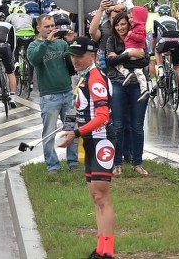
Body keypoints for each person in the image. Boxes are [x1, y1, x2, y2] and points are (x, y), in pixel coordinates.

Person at [56, 37, 116, 259]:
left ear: (92, 55)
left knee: (101, 196)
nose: (75, 60)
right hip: (90, 141)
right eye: (72, 56)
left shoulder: (95, 79)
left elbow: (102, 116)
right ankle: (100, 249)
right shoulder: (83, 77)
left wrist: (76, 133)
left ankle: (108, 252)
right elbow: (78, 110)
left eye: (79, 56)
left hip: (102, 141)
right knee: (95, 196)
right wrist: (71, 129)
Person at [27, 15, 79, 173]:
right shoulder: (34, 45)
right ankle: (52, 165)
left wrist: (70, 42)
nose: (50, 29)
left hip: (67, 94)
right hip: (49, 97)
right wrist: (46, 43)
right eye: (46, 26)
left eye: (52, 26)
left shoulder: (61, 44)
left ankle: (73, 162)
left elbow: (74, 63)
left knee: (71, 129)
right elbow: (34, 60)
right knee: (49, 133)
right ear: (38, 28)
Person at [105, 12, 151, 176]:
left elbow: (145, 60)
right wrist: (129, 54)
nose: (120, 27)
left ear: (129, 24)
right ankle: (116, 163)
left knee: (137, 126)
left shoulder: (139, 38)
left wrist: (120, 57)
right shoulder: (111, 40)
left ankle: (137, 163)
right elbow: (110, 62)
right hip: (117, 84)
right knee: (117, 125)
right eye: (117, 25)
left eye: (123, 24)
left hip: (137, 85)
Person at [113, 6, 150, 101]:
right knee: (139, 72)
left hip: (133, 50)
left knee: (118, 62)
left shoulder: (139, 27)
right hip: (134, 51)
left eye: (132, 17)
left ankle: (127, 73)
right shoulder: (136, 27)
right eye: (129, 18)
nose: (130, 20)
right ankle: (144, 89)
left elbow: (141, 38)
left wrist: (131, 35)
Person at [151, 4, 179, 92]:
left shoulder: (156, 20)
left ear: (159, 13)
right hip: (177, 42)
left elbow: (154, 38)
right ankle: (178, 89)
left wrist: (153, 50)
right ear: (169, 13)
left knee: (157, 51)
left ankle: (161, 70)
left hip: (164, 40)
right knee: (176, 67)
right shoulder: (175, 20)